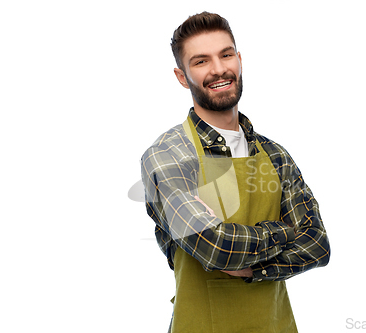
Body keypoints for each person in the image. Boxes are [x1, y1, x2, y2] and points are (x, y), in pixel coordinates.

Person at [141, 12, 330, 333]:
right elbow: (215, 247)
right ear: (182, 76)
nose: (218, 69)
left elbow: (318, 246)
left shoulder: (276, 155)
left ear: (239, 60)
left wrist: (253, 268)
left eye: (226, 55)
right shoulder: (168, 155)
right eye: (200, 61)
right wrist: (284, 232)